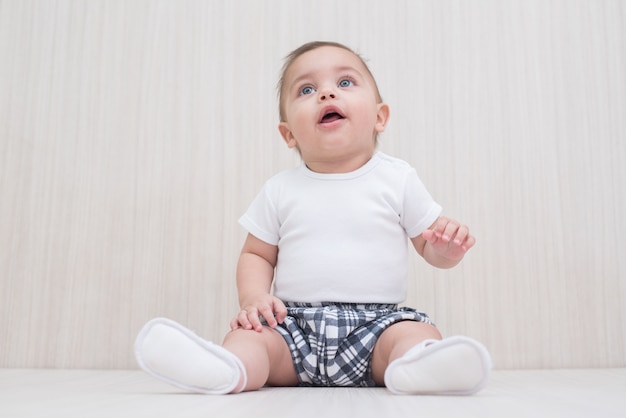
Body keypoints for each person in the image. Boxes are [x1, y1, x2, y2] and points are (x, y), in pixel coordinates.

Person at [134, 41, 492, 396]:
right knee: (252, 338)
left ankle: (419, 366)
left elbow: (429, 248)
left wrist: (447, 250)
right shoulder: (279, 189)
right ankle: (228, 369)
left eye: (345, 83)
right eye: (307, 89)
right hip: (291, 328)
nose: (326, 94)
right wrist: (253, 298)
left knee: (414, 334)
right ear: (288, 134)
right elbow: (257, 254)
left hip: (377, 327)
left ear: (380, 117)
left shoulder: (398, 179)